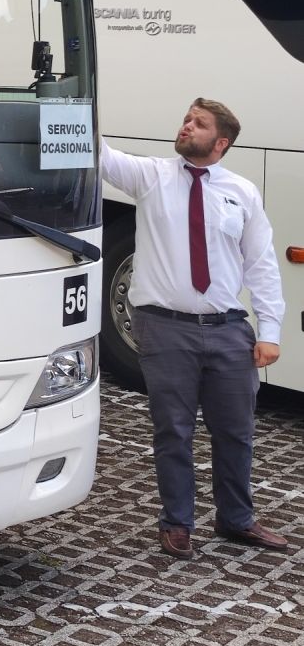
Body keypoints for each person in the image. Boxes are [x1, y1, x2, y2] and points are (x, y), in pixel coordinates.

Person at [101, 98, 288, 559]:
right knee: (174, 430)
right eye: (186, 118)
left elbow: (262, 263)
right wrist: (67, 106)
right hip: (165, 329)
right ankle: (177, 522)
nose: (187, 126)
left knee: (236, 431)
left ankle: (236, 519)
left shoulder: (241, 191)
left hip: (228, 330)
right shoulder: (151, 177)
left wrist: (271, 331)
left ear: (220, 142)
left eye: (199, 123)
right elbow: (97, 154)